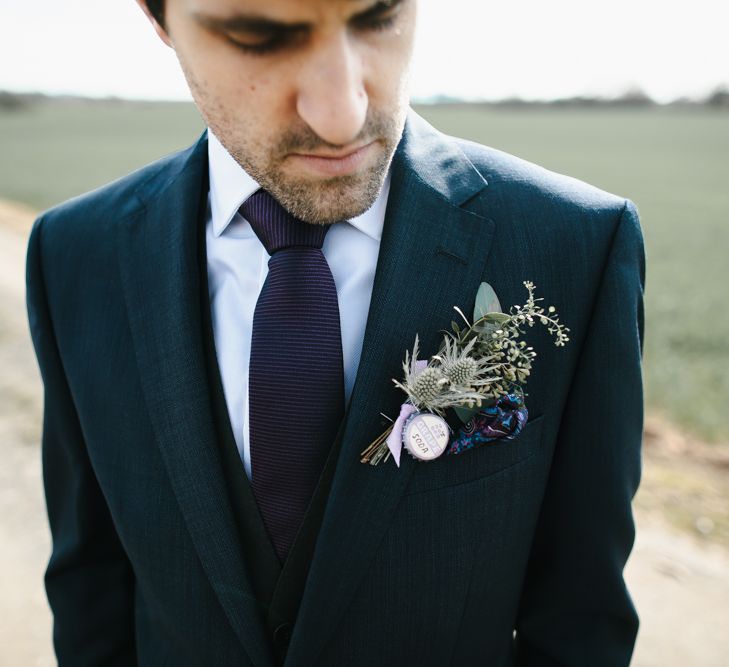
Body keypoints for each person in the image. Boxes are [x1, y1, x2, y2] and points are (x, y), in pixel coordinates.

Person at [25, 0, 646, 665]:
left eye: (378, 15)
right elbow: (91, 587)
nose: (342, 114)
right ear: (158, 19)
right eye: (258, 36)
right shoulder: (75, 255)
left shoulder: (573, 247)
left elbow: (582, 621)